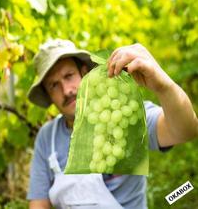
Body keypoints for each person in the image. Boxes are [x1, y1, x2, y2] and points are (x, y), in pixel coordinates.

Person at [27, 39, 198, 209]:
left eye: (69, 76)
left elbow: (186, 130)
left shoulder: (124, 116)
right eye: (54, 85)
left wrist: (163, 86)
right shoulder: (47, 137)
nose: (66, 90)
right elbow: (39, 204)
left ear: (85, 73)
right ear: (49, 96)